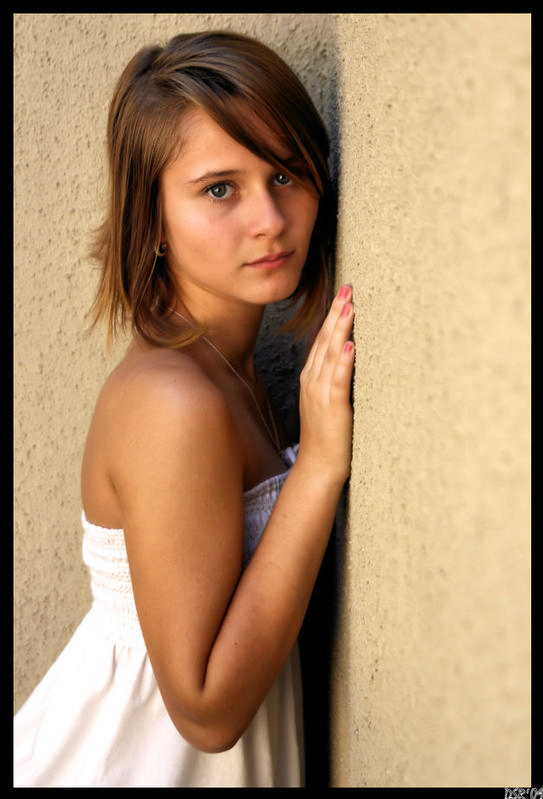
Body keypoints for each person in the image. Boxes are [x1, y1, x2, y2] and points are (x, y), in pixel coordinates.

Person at [13, 30, 354, 787]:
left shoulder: (226, 372)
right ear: (153, 218)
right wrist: (319, 466)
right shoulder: (176, 400)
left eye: (286, 173)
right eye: (219, 189)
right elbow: (204, 709)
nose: (268, 218)